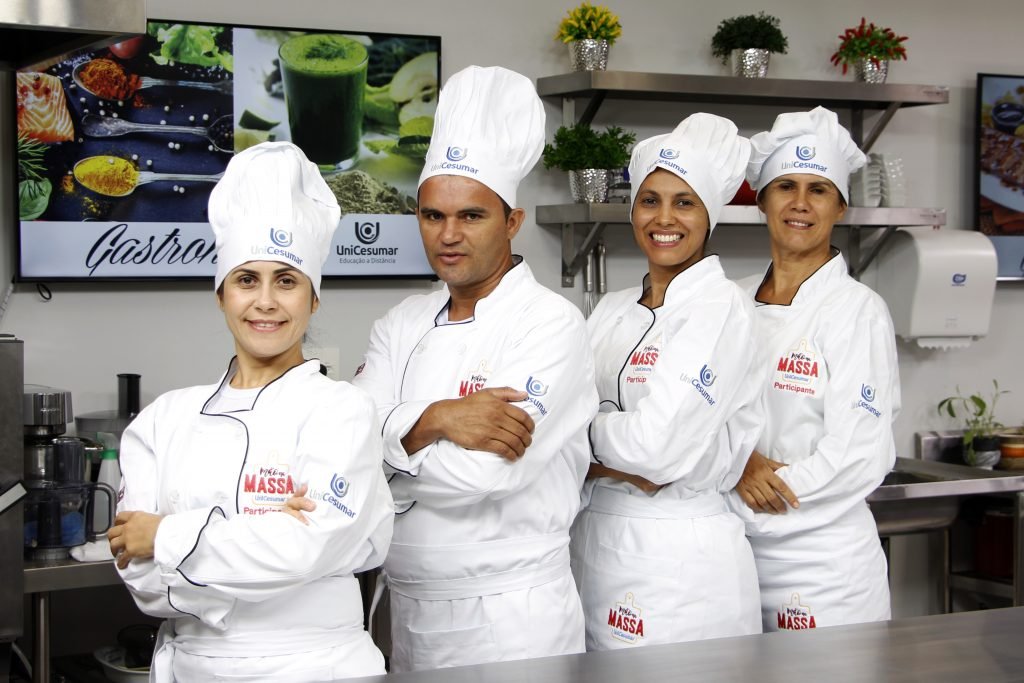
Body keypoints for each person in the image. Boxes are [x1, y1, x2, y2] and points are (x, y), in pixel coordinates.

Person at [107, 142, 394, 681]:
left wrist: (166, 535)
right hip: (192, 668)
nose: (265, 301)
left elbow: (308, 546)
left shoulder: (341, 412)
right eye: (246, 280)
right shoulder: (163, 421)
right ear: (221, 296)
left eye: (286, 281)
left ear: (313, 299)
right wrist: (263, 541)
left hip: (318, 668)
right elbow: (141, 579)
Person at [349, 65, 598, 672]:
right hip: (407, 608)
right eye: (433, 215)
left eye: (472, 216)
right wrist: (436, 419)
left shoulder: (550, 324)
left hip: (512, 617)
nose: (448, 235)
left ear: (512, 221)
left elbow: (487, 474)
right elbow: (346, 442)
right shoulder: (401, 323)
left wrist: (392, 443)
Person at [569, 113, 764, 650]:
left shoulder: (718, 308)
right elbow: (560, 419)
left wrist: (580, 439)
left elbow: (656, 452)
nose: (664, 218)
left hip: (682, 560)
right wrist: (612, 450)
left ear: (709, 216)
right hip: (593, 543)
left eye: (685, 202)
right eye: (650, 200)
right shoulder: (609, 311)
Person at [729, 106, 900, 632]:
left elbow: (857, 454)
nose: (800, 204)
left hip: (825, 569)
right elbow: (700, 419)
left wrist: (746, 488)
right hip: (731, 559)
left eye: (818, 189)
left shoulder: (857, 310)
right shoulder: (728, 303)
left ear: (840, 208)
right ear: (761, 200)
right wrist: (740, 465)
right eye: (785, 187)